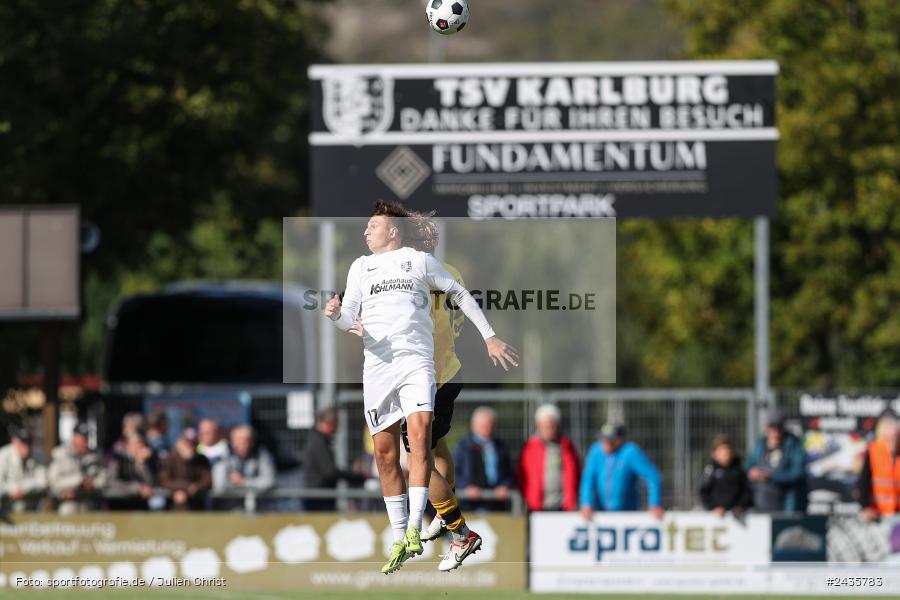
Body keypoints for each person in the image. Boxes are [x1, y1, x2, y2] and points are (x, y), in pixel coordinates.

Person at [324, 201, 517, 574]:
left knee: (418, 441)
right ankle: (414, 531)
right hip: (379, 368)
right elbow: (349, 317)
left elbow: (459, 295)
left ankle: (425, 527)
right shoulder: (360, 267)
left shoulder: (421, 263)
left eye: (372, 224)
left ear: (393, 231)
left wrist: (490, 337)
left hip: (423, 366)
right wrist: (337, 317)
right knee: (388, 454)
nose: (365, 231)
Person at [395, 210, 485, 571]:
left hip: (425, 378)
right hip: (448, 371)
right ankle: (441, 514)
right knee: (437, 445)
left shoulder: (414, 276)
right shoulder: (449, 270)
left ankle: (459, 531)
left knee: (411, 460)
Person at [579, 423, 664, 520]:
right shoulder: (596, 452)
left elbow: (652, 476)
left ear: (619, 440)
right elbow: (588, 479)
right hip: (601, 514)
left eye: (609, 439)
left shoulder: (630, 452)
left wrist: (655, 503)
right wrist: (586, 503)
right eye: (603, 439)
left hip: (627, 515)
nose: (604, 443)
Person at [518, 404, 581, 512]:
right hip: (537, 506)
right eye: (545, 426)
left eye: (551, 425)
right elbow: (522, 476)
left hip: (563, 506)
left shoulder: (567, 446)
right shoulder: (530, 448)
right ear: (539, 426)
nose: (549, 429)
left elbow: (576, 472)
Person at [453, 406, 517, 512]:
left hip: (497, 504)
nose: (487, 428)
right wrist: (466, 487)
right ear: (474, 425)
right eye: (483, 425)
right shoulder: (463, 447)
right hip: (470, 504)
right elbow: (454, 473)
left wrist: (505, 485)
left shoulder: (500, 446)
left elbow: (509, 472)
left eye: (490, 424)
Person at [302, 408, 365, 511]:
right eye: (336, 424)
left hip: (318, 496)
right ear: (328, 424)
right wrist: (353, 476)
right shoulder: (319, 442)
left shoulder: (318, 440)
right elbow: (329, 472)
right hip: (319, 498)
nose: (337, 428)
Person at [745, 410, 807, 513]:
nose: (775, 432)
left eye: (778, 428)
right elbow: (748, 466)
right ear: (767, 428)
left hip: (786, 505)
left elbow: (798, 473)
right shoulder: (760, 444)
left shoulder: (793, 444)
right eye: (772, 428)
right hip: (760, 504)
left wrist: (771, 476)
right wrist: (751, 472)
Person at [48, 423, 107, 514]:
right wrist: (77, 481)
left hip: (89, 507)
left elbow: (104, 478)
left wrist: (93, 484)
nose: (85, 441)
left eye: (87, 437)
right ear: (74, 438)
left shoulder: (95, 456)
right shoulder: (61, 454)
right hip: (68, 507)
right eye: (82, 438)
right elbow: (52, 481)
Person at [856, 414, 900, 522]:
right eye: (888, 439)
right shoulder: (873, 451)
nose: (892, 442)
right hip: (877, 515)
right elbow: (863, 482)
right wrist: (865, 507)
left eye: (895, 438)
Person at [212, 425, 276, 497]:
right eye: (239, 440)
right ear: (232, 442)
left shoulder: (262, 455)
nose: (244, 445)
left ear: (253, 442)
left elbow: (269, 482)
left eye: (247, 440)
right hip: (231, 505)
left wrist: (244, 482)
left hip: (257, 504)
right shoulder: (223, 455)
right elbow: (220, 486)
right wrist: (254, 485)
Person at [699, 434, 752, 517]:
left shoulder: (739, 471)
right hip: (716, 517)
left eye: (727, 449)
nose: (725, 452)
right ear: (714, 454)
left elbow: (746, 492)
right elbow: (703, 492)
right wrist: (714, 508)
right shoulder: (710, 470)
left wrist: (740, 507)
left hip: (737, 516)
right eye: (721, 450)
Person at [159, 428, 211, 511]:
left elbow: (207, 481)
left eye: (193, 442)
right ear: (180, 442)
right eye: (187, 442)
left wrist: (196, 487)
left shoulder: (202, 459)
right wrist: (185, 487)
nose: (190, 445)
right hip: (174, 509)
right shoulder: (170, 458)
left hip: (197, 509)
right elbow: (164, 481)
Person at [0, 427, 48, 512]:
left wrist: (23, 488)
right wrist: (13, 489)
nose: (26, 446)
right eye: (23, 442)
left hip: (31, 503)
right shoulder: (3, 455)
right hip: (5, 504)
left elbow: (43, 482)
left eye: (28, 442)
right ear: (14, 442)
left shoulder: (39, 455)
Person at [107, 431, 158, 510]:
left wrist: (141, 463)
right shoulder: (118, 458)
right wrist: (137, 488)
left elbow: (150, 483)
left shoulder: (148, 460)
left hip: (141, 507)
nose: (140, 447)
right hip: (119, 506)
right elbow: (112, 481)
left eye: (142, 445)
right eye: (136, 444)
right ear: (128, 445)